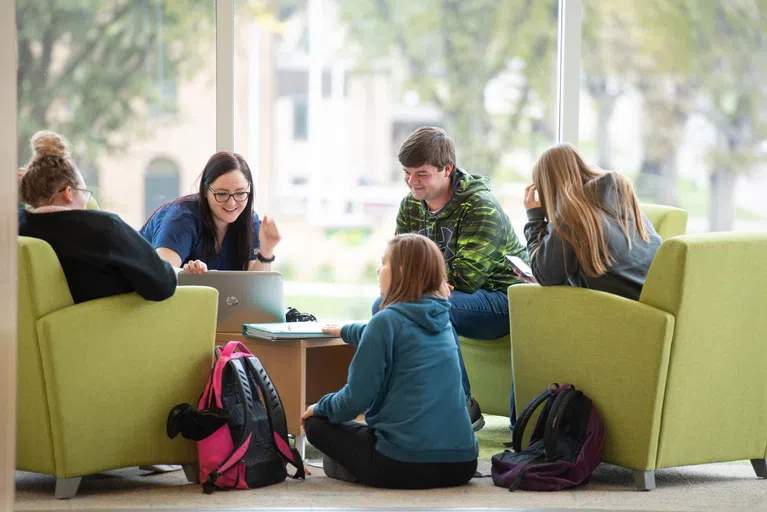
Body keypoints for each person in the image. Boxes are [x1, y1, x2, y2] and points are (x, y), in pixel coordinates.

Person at [302, 234, 479, 489]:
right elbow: (394, 334)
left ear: (401, 271)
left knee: (317, 425)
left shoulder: (385, 323)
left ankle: (352, 467)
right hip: (462, 466)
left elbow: (354, 401)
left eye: (383, 262)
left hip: (404, 465)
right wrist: (345, 330)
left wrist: (319, 407)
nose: (378, 269)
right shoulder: (442, 321)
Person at [383, 126, 528, 430]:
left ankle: (462, 406)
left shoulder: (480, 205)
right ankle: (405, 405)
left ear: (446, 169)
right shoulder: (410, 205)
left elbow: (467, 277)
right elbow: (398, 262)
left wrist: (420, 281)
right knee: (381, 309)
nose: (412, 182)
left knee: (436, 307)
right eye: (407, 173)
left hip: (503, 300)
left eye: (421, 174)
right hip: (445, 293)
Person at [18, 131, 177, 304]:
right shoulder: (104, 228)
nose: (87, 203)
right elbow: (162, 285)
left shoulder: (19, 227)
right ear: (69, 193)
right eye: (85, 194)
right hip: (107, 327)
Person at [523, 143, 661, 299]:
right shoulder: (619, 196)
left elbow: (545, 276)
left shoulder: (572, 215)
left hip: (619, 310)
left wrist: (534, 218)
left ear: (548, 188)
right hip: (650, 301)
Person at [140, 152, 281, 274]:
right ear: (206, 191)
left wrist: (267, 249)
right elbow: (160, 273)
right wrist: (185, 273)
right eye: (222, 194)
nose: (232, 203)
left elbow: (255, 288)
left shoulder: (249, 221)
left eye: (240, 193)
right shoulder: (181, 218)